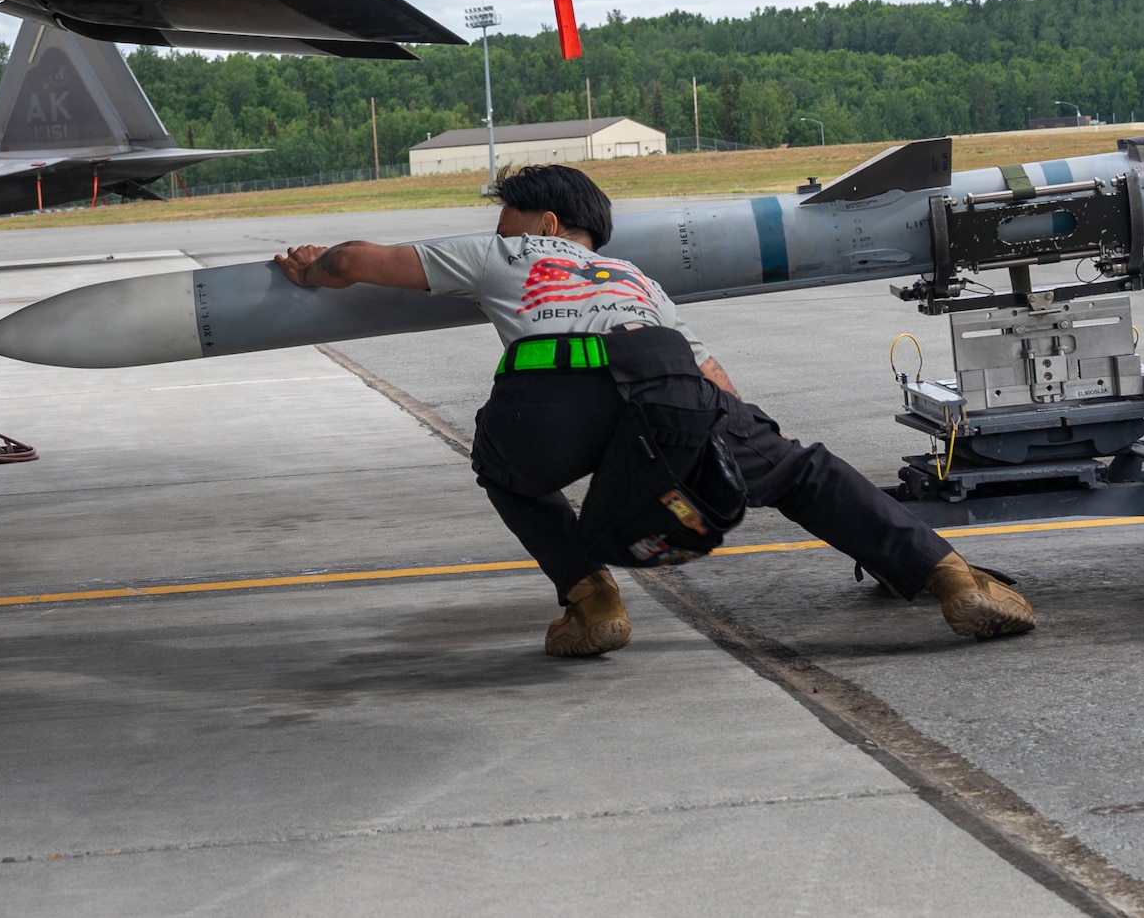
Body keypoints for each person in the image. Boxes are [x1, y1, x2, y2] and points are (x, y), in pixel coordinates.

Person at [274, 164, 1034, 658]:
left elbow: (354, 262)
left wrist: (312, 268)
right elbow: (713, 374)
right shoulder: (634, 276)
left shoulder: (503, 256)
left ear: (542, 223)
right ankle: (952, 580)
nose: (499, 228)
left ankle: (592, 599)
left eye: (508, 215)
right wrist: (743, 445)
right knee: (802, 472)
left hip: (551, 404)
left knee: (506, 471)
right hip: (672, 394)